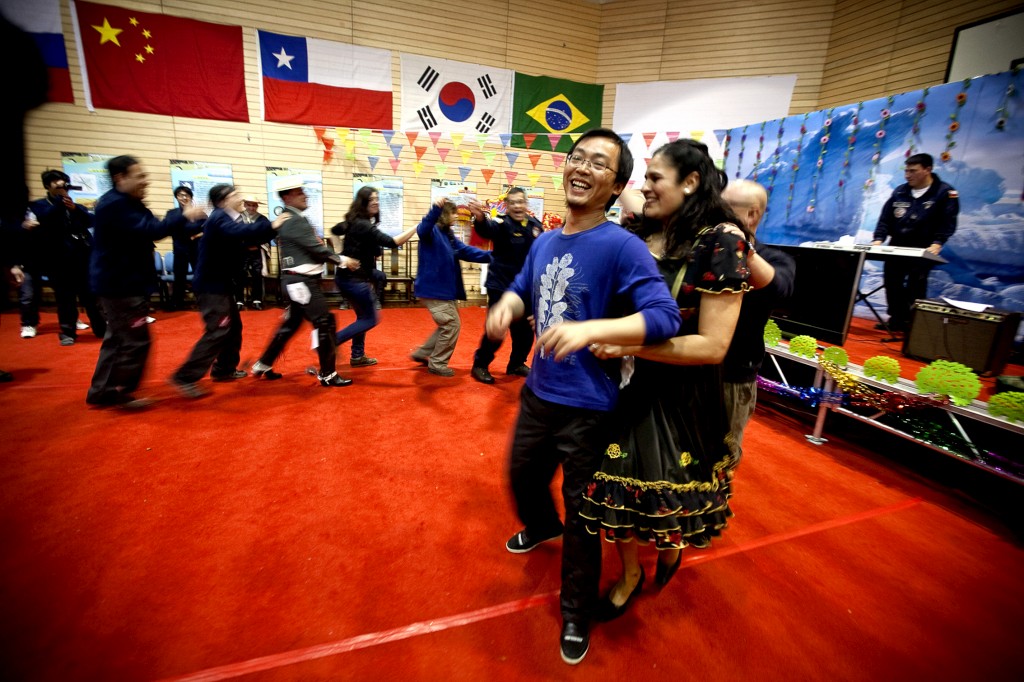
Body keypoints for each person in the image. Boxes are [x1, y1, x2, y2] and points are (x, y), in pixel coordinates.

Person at [485, 129, 681, 665]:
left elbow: (665, 317)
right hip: (538, 392)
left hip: (590, 408)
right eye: (577, 157)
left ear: (615, 187)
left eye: (598, 163)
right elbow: (523, 286)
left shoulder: (623, 246)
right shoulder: (545, 240)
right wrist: (507, 305)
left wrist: (594, 329)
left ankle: (575, 610)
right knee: (522, 476)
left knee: (582, 516)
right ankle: (539, 524)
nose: (582, 167)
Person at [577, 139, 751, 625]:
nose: (645, 187)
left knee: (664, 488)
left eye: (655, 177)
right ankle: (631, 572)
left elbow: (712, 346)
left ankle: (670, 548)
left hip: (679, 394)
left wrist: (628, 346)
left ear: (690, 182)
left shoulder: (722, 240)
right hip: (618, 383)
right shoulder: (640, 229)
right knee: (611, 486)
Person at [86, 155, 206, 408]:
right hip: (120, 285)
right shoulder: (115, 205)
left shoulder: (129, 203)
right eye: (139, 176)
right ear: (120, 178)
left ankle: (102, 391)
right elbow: (151, 230)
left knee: (117, 339)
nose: (145, 181)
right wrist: (183, 215)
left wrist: (191, 221)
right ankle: (117, 392)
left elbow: (154, 226)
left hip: (120, 283)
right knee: (135, 341)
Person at [170, 185, 280, 397]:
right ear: (222, 200)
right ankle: (185, 377)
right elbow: (240, 233)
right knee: (218, 330)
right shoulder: (220, 217)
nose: (239, 198)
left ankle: (224, 369)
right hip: (211, 286)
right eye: (234, 195)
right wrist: (272, 225)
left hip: (221, 284)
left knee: (233, 328)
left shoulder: (229, 219)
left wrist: (271, 229)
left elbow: (247, 237)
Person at [251, 177, 355, 387]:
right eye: (299, 193)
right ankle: (328, 374)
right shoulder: (295, 220)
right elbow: (315, 248)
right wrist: (342, 260)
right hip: (301, 282)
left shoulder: (291, 219)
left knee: (292, 324)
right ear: (286, 197)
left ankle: (263, 363)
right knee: (324, 322)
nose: (305, 195)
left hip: (296, 281)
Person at [720, 179, 796, 468]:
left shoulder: (773, 258)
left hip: (732, 377)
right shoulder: (705, 246)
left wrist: (744, 248)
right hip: (686, 370)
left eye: (725, 208)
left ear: (751, 214)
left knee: (718, 461)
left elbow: (779, 290)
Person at [329, 186, 417, 367]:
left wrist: (343, 255)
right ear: (362, 203)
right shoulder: (362, 224)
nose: (376, 202)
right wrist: (417, 227)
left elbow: (334, 230)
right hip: (354, 281)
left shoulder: (356, 222)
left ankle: (357, 356)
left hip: (352, 279)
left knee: (362, 318)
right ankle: (330, 342)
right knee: (370, 319)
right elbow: (393, 242)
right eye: (371, 199)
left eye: (377, 198)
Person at [871, 153, 959, 333]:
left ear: (928, 170)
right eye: (906, 171)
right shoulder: (900, 192)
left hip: (923, 247)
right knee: (892, 282)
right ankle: (896, 319)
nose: (907, 175)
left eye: (913, 171)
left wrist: (937, 243)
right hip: (897, 244)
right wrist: (878, 239)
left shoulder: (944, 193)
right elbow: (885, 219)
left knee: (915, 285)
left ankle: (912, 324)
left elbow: (948, 221)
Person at [467, 187, 543, 384]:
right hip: (501, 286)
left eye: (521, 202)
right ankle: (480, 364)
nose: (517, 206)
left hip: (526, 289)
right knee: (497, 330)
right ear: (507, 206)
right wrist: (480, 218)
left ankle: (516, 364)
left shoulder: (535, 226)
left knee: (525, 332)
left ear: (526, 204)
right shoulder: (501, 224)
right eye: (513, 202)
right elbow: (486, 230)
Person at [21, 170, 106, 344]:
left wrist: (74, 209)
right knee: (65, 298)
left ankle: (101, 330)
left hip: (83, 258)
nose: (60, 184)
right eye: (55, 182)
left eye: (63, 182)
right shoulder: (38, 206)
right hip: (58, 260)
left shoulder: (76, 206)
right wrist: (60, 204)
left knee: (91, 297)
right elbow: (43, 221)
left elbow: (91, 221)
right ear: (47, 186)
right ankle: (68, 333)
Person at [410, 198, 491, 377]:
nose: (456, 216)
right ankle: (437, 363)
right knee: (451, 325)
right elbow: (422, 229)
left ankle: (423, 353)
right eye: (453, 212)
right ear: (444, 214)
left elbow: (466, 251)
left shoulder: (448, 234)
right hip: (434, 290)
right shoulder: (431, 231)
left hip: (444, 291)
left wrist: (494, 255)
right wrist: (435, 209)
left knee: (446, 325)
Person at [165, 185, 204, 311]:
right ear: (176, 197)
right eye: (181, 195)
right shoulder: (172, 214)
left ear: (191, 197)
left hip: (196, 249)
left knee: (199, 276)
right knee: (179, 277)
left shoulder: (199, 213)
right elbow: (170, 228)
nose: (184, 198)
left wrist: (195, 236)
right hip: (180, 249)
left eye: (186, 195)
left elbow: (207, 229)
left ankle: (202, 302)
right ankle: (177, 303)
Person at [236, 195, 267, 311]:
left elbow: (267, 235)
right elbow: (233, 234)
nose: (251, 208)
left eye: (254, 205)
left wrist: (257, 244)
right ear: (245, 205)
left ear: (257, 206)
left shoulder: (262, 219)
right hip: (241, 252)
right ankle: (239, 300)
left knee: (257, 275)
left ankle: (257, 300)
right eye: (249, 205)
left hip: (256, 251)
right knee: (239, 275)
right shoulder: (237, 218)